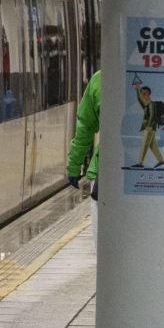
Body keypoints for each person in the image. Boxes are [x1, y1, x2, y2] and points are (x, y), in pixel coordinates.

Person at [66, 70, 101, 238]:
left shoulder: (100, 79)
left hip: (104, 173)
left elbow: (85, 129)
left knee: (103, 245)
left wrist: (74, 166)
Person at [132, 79, 164, 168]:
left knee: (145, 144)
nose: (143, 95)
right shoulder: (146, 104)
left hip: (149, 127)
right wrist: (137, 89)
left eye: (144, 94)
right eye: (142, 93)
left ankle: (140, 163)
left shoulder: (151, 104)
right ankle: (161, 160)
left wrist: (149, 126)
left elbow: (152, 115)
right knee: (152, 145)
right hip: (149, 127)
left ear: (148, 94)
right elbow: (140, 99)